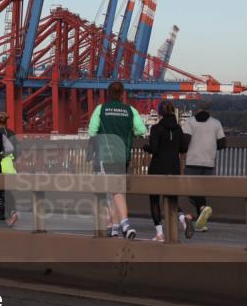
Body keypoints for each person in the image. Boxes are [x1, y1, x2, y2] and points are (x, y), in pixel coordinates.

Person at [88, 81, 148, 240]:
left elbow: (92, 131)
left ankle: (125, 225)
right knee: (117, 190)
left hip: (105, 156)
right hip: (123, 156)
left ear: (108, 94)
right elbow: (142, 130)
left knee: (109, 191)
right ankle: (114, 227)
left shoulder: (100, 109)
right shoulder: (131, 110)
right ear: (122, 94)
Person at [143, 101, 191, 242]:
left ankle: (160, 233)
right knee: (171, 198)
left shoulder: (156, 128)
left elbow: (155, 149)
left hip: (158, 167)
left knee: (154, 200)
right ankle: (183, 219)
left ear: (160, 112)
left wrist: (146, 147)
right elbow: (183, 149)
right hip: (174, 167)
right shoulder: (178, 129)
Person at [181, 99, 224, 232]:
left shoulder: (190, 122)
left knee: (191, 191)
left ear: (198, 108)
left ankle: (202, 209)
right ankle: (200, 223)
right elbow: (222, 144)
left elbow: (185, 142)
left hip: (193, 160)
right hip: (209, 162)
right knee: (201, 191)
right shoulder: (216, 123)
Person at [0, 112, 21, 227]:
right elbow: (18, 150)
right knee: (7, 191)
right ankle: (9, 212)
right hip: (10, 165)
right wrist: (13, 159)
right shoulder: (12, 133)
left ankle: (7, 211)